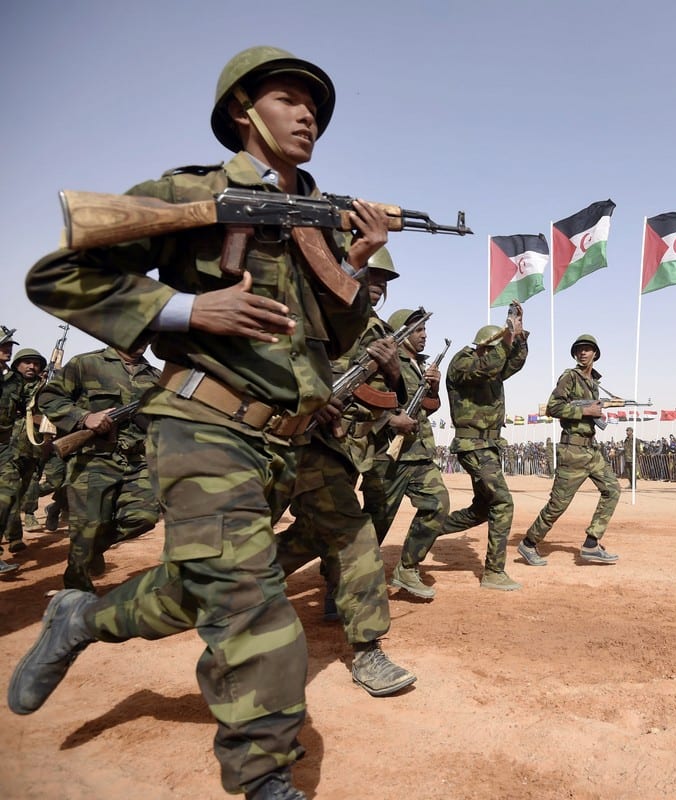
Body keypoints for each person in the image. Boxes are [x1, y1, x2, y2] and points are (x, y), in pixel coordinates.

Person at [12, 46, 387, 800]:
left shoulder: (326, 214)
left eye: (314, 105)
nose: (308, 112)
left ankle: (82, 618)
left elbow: (332, 345)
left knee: (200, 589)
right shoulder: (189, 193)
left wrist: (360, 262)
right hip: (204, 422)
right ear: (242, 111)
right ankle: (264, 776)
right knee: (254, 611)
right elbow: (54, 277)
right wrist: (184, 308)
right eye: (287, 99)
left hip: (286, 440)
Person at [273, 246, 416, 697]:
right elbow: (277, 359)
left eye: (387, 280)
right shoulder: (315, 309)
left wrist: (393, 375)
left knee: (325, 535)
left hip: (329, 449)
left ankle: (367, 649)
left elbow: (392, 397)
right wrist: (314, 392)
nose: (379, 284)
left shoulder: (378, 329)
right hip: (275, 437)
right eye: (372, 274)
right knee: (347, 536)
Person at [37, 344, 161, 592]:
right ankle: (77, 587)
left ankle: (93, 550)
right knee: (89, 526)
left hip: (138, 459)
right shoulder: (85, 363)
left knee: (144, 517)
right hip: (94, 459)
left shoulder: (156, 376)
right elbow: (48, 397)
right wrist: (84, 417)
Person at [427, 305, 528, 590]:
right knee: (503, 502)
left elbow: (513, 364)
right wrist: (504, 339)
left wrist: (518, 337)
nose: (501, 352)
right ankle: (494, 572)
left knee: (483, 508)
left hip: (488, 445)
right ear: (485, 347)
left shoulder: (491, 365)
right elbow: (487, 368)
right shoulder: (464, 362)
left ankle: (426, 531)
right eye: (498, 347)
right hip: (473, 445)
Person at [361, 307, 450, 600]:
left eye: (425, 330)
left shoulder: (416, 366)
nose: (424, 335)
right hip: (387, 456)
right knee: (375, 524)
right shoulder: (386, 361)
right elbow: (362, 400)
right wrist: (389, 420)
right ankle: (341, 581)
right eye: (418, 330)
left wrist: (434, 388)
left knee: (438, 504)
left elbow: (427, 407)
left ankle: (408, 568)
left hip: (418, 453)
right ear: (400, 331)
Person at [518, 334, 620, 566]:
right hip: (572, 450)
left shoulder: (593, 383)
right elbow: (553, 407)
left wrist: (597, 412)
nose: (583, 353)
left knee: (612, 490)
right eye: (580, 349)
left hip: (591, 450)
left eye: (588, 349)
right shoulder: (570, 377)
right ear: (575, 354)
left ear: (595, 354)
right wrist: (586, 412)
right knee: (558, 504)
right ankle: (529, 543)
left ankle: (592, 544)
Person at [0, 348, 48, 552]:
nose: (32, 366)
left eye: (36, 363)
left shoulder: (45, 386)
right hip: (8, 448)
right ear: (17, 365)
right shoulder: (10, 383)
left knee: (20, 493)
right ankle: (15, 537)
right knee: (9, 492)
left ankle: (14, 536)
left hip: (33, 448)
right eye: (26, 362)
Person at [0, 326, 20, 576]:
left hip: (4, 446)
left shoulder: (13, 379)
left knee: (7, 493)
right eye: (3, 345)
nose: (8, 349)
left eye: (9, 345)